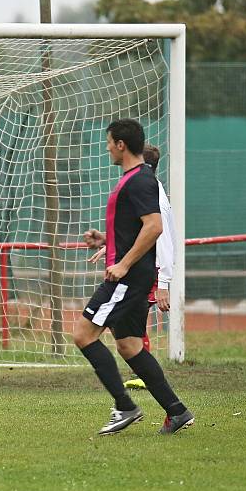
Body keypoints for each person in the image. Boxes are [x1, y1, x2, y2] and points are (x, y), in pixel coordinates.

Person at [74, 119, 193, 435]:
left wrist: (124, 264)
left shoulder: (139, 180)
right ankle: (176, 411)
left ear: (121, 145)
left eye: (110, 142)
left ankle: (125, 406)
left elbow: (154, 226)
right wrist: (105, 238)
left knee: (84, 335)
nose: (108, 147)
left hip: (127, 279)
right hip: (134, 277)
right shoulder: (135, 179)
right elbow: (137, 227)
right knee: (129, 346)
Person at [88, 143, 175, 390]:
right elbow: (141, 232)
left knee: (99, 331)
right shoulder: (145, 188)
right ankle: (170, 406)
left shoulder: (149, 190)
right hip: (144, 269)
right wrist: (109, 243)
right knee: (126, 333)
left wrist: (164, 282)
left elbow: (162, 235)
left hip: (149, 271)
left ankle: (132, 395)